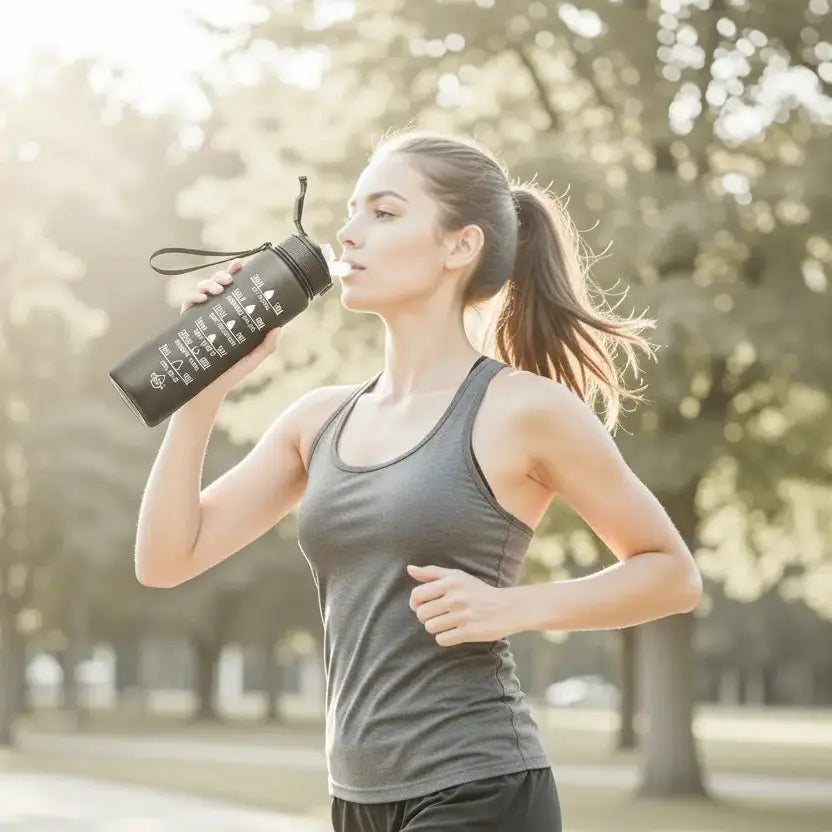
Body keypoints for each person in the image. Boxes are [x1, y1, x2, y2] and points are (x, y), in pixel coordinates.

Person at [135, 129, 703, 831]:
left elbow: (672, 574)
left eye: (383, 212)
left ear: (459, 246)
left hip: (478, 788)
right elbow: (165, 560)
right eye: (351, 212)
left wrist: (513, 608)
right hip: (356, 800)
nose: (347, 234)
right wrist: (203, 395)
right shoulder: (317, 420)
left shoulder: (523, 409)